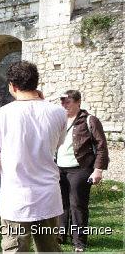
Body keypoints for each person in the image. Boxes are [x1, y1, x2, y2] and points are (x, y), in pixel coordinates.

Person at [0, 61, 67, 252]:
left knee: (15, 250)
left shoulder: (1, 114)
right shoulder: (59, 112)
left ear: (12, 86)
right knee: (49, 249)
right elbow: (56, 145)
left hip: (16, 198)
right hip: (48, 195)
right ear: (36, 83)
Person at [57, 90, 109, 252]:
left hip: (80, 169)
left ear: (78, 102)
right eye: (63, 102)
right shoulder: (60, 121)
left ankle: (79, 241)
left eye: (68, 101)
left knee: (77, 205)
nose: (64, 105)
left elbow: (101, 146)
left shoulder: (89, 120)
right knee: (61, 204)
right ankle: (60, 235)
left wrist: (98, 170)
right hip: (59, 169)